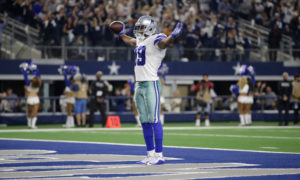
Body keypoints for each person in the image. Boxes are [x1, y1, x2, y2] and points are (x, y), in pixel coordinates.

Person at [119, 16, 182, 165]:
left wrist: (172, 37)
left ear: (150, 28)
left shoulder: (156, 38)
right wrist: (121, 33)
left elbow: (165, 43)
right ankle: (150, 154)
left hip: (151, 83)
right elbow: (129, 40)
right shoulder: (141, 40)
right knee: (145, 121)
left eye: (141, 28)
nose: (139, 30)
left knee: (154, 120)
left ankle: (159, 155)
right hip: (139, 84)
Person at [19, 62, 42, 129]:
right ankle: (32, 125)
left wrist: (25, 70)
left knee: (30, 112)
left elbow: (25, 76)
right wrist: (35, 69)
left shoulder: (30, 83)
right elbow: (38, 75)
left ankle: (30, 124)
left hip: (30, 98)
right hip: (35, 98)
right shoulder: (38, 83)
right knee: (34, 112)